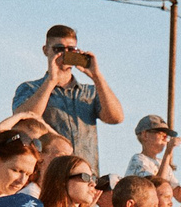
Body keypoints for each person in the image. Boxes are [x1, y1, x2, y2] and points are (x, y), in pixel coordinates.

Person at [10, 25, 124, 172]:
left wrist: (97, 76)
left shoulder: (90, 92)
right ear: (46, 50)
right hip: (47, 174)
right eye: (58, 49)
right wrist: (52, 80)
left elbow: (116, 118)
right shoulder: (30, 88)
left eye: (71, 50)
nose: (65, 54)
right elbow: (24, 120)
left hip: (83, 176)